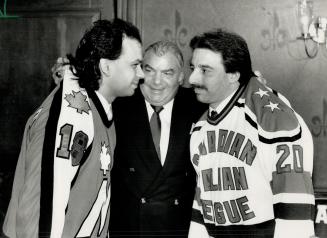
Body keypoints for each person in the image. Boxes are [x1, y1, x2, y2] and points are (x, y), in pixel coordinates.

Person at [3, 18, 144, 238]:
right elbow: (41, 209)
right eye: (135, 65)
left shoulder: (99, 107)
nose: (142, 74)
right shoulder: (72, 115)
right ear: (106, 66)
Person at [187, 29, 315, 238]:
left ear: (233, 74)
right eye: (192, 68)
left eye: (205, 70)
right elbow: (203, 205)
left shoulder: (274, 120)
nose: (192, 78)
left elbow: (294, 217)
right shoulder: (201, 127)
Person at [109, 41, 207, 237]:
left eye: (167, 73)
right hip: (129, 230)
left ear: (181, 77)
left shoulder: (200, 107)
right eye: (150, 70)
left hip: (179, 229)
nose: (156, 82)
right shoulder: (116, 106)